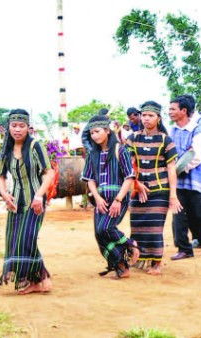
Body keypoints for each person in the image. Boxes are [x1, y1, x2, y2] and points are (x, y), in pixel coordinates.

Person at [0, 109, 55, 294]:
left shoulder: (35, 145)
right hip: (15, 201)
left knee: (26, 238)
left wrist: (39, 196)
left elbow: (48, 172)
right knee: (14, 240)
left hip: (35, 199)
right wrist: (4, 194)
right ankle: (36, 278)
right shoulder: (5, 148)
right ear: (8, 127)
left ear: (28, 127)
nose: (17, 129)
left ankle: (35, 278)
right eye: (14, 125)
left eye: (22, 126)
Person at [125, 101, 181, 275]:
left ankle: (156, 263)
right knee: (137, 226)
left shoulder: (166, 140)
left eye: (150, 115)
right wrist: (136, 184)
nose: (146, 118)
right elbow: (128, 165)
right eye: (144, 115)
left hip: (160, 190)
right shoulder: (133, 138)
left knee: (155, 227)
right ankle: (140, 259)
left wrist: (173, 195)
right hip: (137, 189)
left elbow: (172, 168)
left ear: (158, 118)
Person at [81, 115, 140, 278]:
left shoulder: (119, 150)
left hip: (118, 198)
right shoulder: (92, 153)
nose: (94, 135)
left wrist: (118, 200)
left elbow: (129, 177)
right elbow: (90, 179)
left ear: (107, 131)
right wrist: (97, 198)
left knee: (105, 228)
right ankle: (122, 267)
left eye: (97, 131)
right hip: (100, 199)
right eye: (91, 133)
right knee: (98, 234)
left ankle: (131, 245)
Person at [168, 96, 201, 259]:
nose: (170, 112)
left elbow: (197, 155)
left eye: (173, 109)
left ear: (184, 111)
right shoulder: (172, 130)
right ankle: (184, 248)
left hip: (196, 179)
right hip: (178, 181)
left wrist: (178, 167)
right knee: (178, 216)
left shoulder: (198, 130)